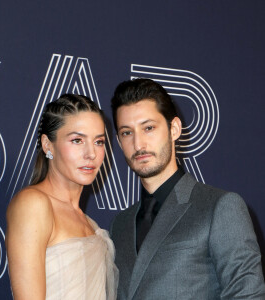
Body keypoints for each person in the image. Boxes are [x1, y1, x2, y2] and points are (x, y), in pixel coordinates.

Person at [110, 78, 265, 300]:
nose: (138, 144)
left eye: (149, 128)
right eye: (127, 132)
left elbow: (247, 295)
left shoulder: (219, 207)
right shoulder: (119, 225)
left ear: (174, 129)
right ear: (118, 140)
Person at [5, 94, 118, 300]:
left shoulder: (90, 225)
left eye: (99, 141)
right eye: (77, 140)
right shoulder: (33, 204)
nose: (91, 153)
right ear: (48, 145)